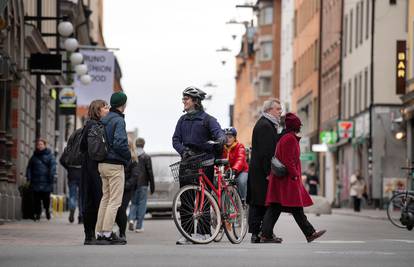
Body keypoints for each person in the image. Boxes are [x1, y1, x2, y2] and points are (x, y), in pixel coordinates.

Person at [261, 113, 326, 243]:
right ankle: (310, 233)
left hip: (281, 180)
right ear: (295, 125)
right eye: (299, 124)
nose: (300, 125)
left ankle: (266, 234)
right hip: (287, 180)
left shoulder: (285, 137)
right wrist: (296, 175)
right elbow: (288, 160)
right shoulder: (289, 139)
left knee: (275, 207)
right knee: (295, 208)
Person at [172, 86, 226, 245]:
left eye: (186, 99)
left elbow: (219, 133)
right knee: (186, 198)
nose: (183, 101)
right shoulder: (182, 120)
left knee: (204, 197)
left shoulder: (208, 119)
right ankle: (186, 233)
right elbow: (175, 139)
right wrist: (183, 151)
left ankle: (203, 232)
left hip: (205, 161)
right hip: (187, 162)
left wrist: (221, 138)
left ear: (195, 101)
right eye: (183, 99)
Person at [95, 91, 131, 245]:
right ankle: (108, 232)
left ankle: (100, 232)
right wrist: (128, 157)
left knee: (106, 198)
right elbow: (120, 143)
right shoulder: (119, 121)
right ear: (123, 105)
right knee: (115, 201)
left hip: (102, 164)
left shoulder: (104, 119)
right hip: (115, 164)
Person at [247, 98, 284, 243]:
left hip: (259, 172)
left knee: (262, 203)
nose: (280, 112)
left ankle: (262, 233)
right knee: (260, 203)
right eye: (278, 109)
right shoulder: (265, 126)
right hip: (261, 173)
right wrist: (269, 173)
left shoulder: (267, 124)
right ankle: (259, 234)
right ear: (269, 110)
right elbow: (266, 152)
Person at [80, 99, 109, 245]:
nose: (107, 109)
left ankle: (90, 234)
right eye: (105, 107)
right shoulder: (94, 125)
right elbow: (94, 150)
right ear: (98, 110)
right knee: (94, 200)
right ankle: (90, 234)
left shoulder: (89, 125)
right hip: (92, 166)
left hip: (89, 166)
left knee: (91, 199)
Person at [115, 137, 139, 242]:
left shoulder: (134, 160)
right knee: (115, 210)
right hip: (117, 187)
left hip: (126, 189)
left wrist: (124, 186)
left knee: (121, 209)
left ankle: (122, 233)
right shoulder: (119, 157)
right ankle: (119, 231)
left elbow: (134, 177)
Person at [128, 137, 155, 233]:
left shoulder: (132, 156)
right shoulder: (146, 157)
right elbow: (150, 172)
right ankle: (139, 226)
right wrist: (152, 186)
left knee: (133, 204)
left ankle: (131, 219)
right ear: (143, 145)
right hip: (143, 184)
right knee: (142, 205)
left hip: (133, 184)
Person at [26, 138, 56, 221]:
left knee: (46, 199)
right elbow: (29, 168)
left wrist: (51, 176)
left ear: (45, 145)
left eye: (41, 144)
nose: (39, 146)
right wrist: (29, 177)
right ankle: (38, 214)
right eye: (38, 144)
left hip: (46, 181)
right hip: (35, 181)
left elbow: (53, 167)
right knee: (37, 200)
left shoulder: (50, 156)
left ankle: (47, 210)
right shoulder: (34, 156)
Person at [222, 127, 248, 204]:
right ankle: (225, 206)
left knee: (241, 181)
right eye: (226, 137)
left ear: (234, 138)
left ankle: (243, 201)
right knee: (222, 186)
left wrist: (234, 169)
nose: (228, 139)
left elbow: (240, 159)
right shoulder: (222, 148)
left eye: (230, 137)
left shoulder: (240, 146)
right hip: (227, 172)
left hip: (240, 171)